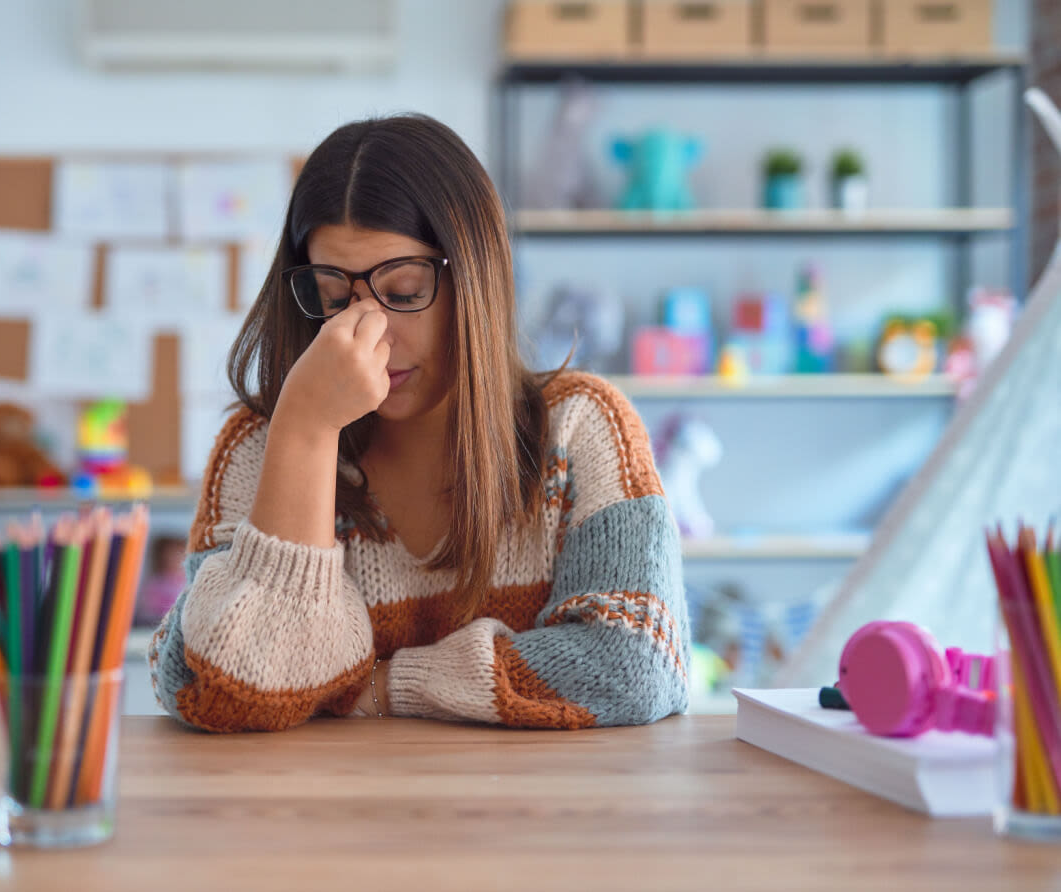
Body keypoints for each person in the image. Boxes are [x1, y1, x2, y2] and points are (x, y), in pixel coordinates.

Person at [148, 113, 688, 732]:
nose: (364, 332)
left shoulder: (581, 424)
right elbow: (215, 689)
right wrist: (306, 432)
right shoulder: (264, 445)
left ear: (476, 280)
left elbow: (635, 663)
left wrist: (378, 686)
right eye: (332, 297)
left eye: (403, 293)